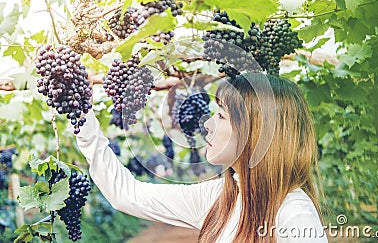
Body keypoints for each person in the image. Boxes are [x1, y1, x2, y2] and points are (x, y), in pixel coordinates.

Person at [69, 72, 328, 242]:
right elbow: (126, 195)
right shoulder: (219, 197)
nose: (207, 124)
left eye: (221, 116)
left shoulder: (295, 216)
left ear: (256, 133)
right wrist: (82, 117)